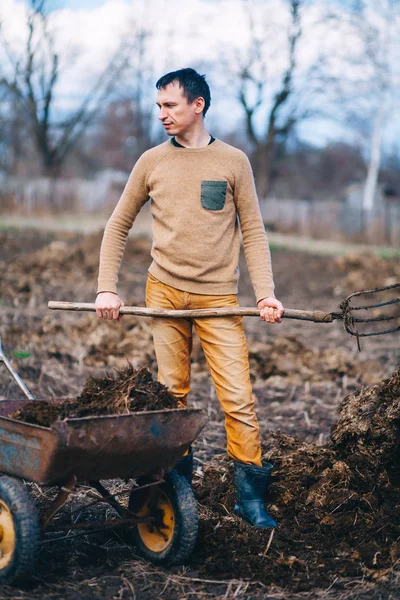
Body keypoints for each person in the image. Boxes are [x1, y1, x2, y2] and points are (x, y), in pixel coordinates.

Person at [95, 68, 284, 529]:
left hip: (219, 298)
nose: (161, 114)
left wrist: (266, 294)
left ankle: (250, 498)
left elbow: (253, 232)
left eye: (170, 105)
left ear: (197, 105)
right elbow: (118, 224)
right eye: (158, 106)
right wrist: (106, 286)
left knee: (237, 398)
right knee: (172, 394)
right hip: (164, 294)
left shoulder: (234, 161)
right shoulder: (150, 161)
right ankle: (175, 487)